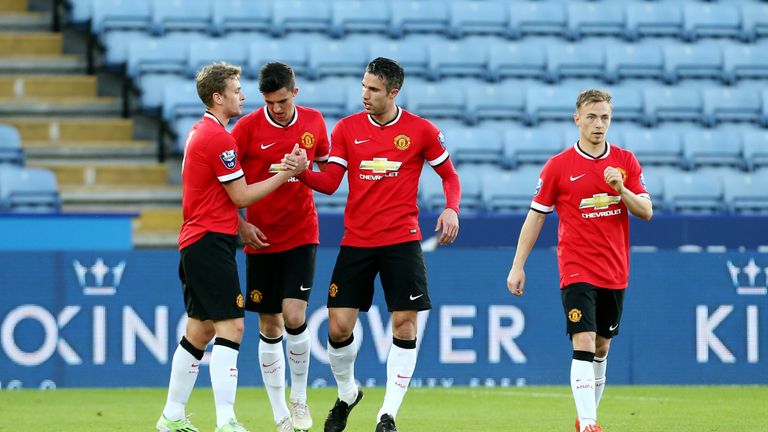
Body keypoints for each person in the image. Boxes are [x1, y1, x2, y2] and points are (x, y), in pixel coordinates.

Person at [296, 57, 461, 432]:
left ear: (393, 92)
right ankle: (347, 392)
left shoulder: (420, 130)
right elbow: (331, 182)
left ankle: (387, 414)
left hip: (402, 242)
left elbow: (449, 176)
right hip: (357, 241)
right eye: (363, 87)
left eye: (373, 89)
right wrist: (302, 171)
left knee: (404, 326)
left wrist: (451, 209)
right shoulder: (347, 128)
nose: (364, 95)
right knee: (338, 328)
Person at [156, 62, 307, 432]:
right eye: (236, 89)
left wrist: (238, 223)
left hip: (199, 240)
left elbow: (212, 194)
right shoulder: (219, 139)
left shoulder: (200, 132)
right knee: (233, 328)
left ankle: (171, 416)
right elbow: (239, 193)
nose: (243, 95)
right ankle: (226, 420)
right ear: (217, 97)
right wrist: (287, 174)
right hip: (209, 242)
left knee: (199, 331)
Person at [506, 89, 653, 432]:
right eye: (591, 117)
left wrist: (621, 189)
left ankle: (586, 417)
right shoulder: (559, 167)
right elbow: (536, 216)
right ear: (577, 120)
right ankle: (589, 423)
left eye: (604, 117)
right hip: (576, 268)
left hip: (615, 270)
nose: (598, 124)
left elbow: (646, 211)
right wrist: (517, 265)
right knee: (584, 339)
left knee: (602, 345)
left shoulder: (626, 162)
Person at [230, 62, 330, 432]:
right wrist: (240, 223)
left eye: (283, 101)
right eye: (270, 102)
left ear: (295, 93)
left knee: (294, 315)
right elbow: (222, 181)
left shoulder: (315, 122)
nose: (276, 108)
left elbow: (329, 177)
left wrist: (304, 171)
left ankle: (299, 398)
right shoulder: (245, 129)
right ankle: (279, 415)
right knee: (269, 324)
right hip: (260, 237)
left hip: (302, 233)